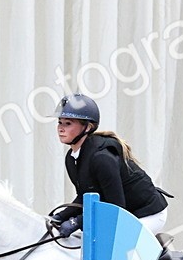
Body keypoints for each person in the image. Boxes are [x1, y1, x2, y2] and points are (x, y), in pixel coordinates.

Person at [49, 94, 171, 238]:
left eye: (68, 123)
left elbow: (116, 208)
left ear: (87, 127)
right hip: (122, 210)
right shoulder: (71, 158)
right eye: (59, 122)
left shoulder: (102, 158)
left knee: (113, 247)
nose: (61, 128)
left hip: (147, 213)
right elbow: (85, 196)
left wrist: (77, 222)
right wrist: (59, 216)